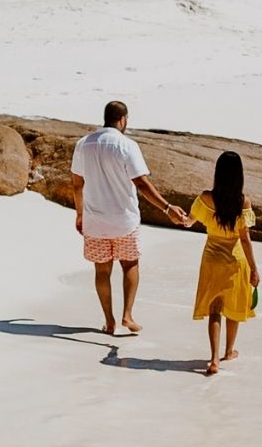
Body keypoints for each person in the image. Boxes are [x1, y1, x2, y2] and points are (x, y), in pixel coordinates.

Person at [73, 100, 190, 336]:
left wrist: (80, 214)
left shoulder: (83, 145)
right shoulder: (127, 145)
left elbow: (77, 184)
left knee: (102, 272)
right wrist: (167, 208)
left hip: (95, 221)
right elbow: (141, 183)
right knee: (130, 265)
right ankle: (128, 314)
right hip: (124, 221)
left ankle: (109, 321)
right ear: (123, 119)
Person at [189, 151, 258, 375]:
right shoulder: (243, 201)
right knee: (233, 307)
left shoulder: (206, 198)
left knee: (215, 308)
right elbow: (245, 238)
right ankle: (228, 352)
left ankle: (213, 360)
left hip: (212, 258)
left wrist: (179, 216)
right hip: (236, 258)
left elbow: (189, 221)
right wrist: (254, 268)